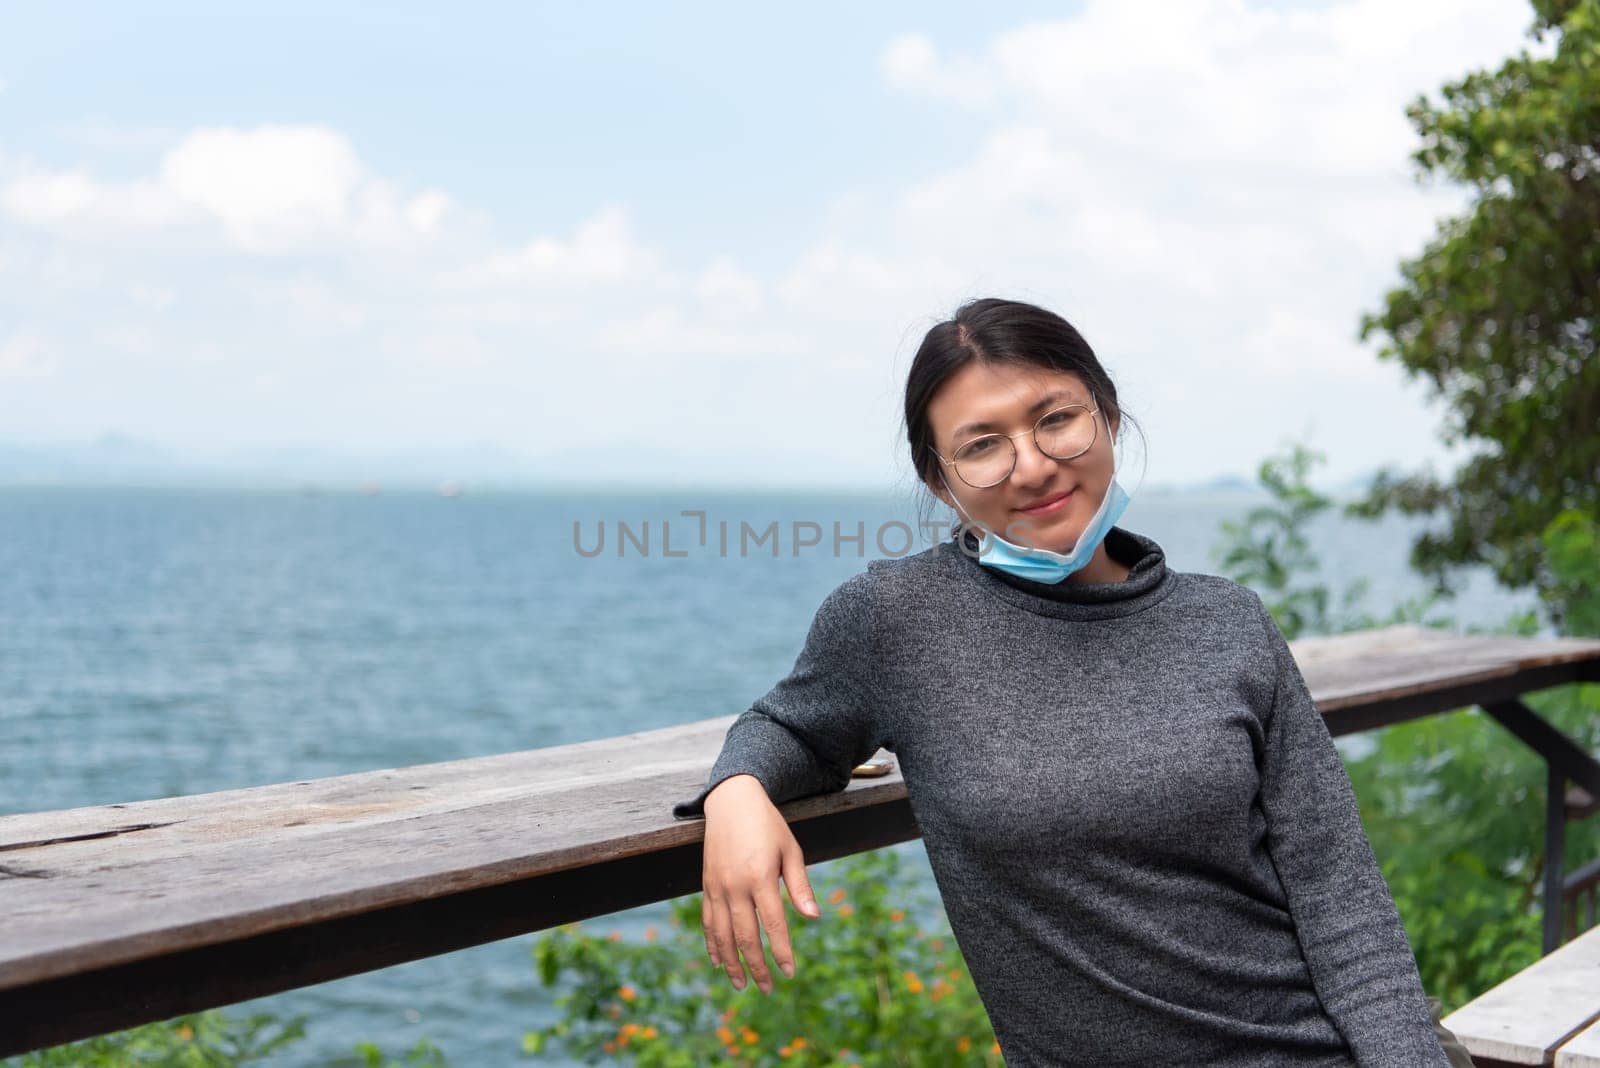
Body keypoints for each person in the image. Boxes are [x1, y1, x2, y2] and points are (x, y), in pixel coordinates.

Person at [671, 298, 1473, 1066]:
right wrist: (736, 790)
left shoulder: (1228, 623)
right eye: (982, 444)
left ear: (1108, 417)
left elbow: (1341, 897)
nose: (1033, 466)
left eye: (1057, 419)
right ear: (939, 479)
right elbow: (789, 726)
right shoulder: (896, 620)